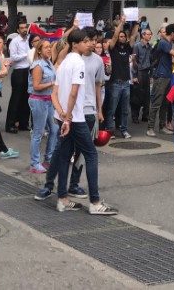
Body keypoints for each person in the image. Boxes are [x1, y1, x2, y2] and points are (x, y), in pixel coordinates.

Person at [50, 28, 117, 215]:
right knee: (91, 155)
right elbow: (73, 92)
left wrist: (62, 114)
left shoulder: (63, 63)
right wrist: (68, 117)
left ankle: (62, 199)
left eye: (91, 41)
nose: (90, 44)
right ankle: (95, 203)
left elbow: (54, 94)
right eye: (86, 41)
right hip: (76, 119)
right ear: (75, 44)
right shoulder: (77, 63)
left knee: (64, 156)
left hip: (66, 117)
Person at [105, 16, 138, 139]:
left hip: (126, 83)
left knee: (125, 110)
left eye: (124, 36)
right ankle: (109, 130)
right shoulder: (113, 48)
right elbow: (114, 37)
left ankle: (124, 129)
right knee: (112, 109)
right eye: (120, 36)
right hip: (115, 83)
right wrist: (122, 23)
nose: (122, 38)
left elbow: (133, 36)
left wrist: (137, 24)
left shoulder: (128, 48)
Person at [28, 40, 58, 174]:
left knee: (55, 129)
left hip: (49, 99)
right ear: (39, 50)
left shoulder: (49, 63)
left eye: (50, 47)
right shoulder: (38, 65)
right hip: (38, 100)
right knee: (38, 133)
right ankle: (34, 164)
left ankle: (49, 159)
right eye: (46, 47)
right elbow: (36, 86)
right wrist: (52, 83)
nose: (49, 49)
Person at [147, 23, 174, 136]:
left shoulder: (169, 42)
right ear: (172, 33)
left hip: (167, 75)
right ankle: (150, 128)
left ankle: (162, 126)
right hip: (161, 76)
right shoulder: (163, 42)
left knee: (165, 103)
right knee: (156, 103)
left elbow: (172, 58)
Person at [6, 21, 34, 134]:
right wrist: (27, 54)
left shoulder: (29, 40)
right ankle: (11, 123)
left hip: (29, 70)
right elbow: (13, 57)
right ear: (18, 30)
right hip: (19, 71)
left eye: (25, 27)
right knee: (16, 98)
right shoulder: (15, 42)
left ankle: (23, 123)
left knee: (26, 98)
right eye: (21, 28)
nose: (24, 29)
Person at [130, 27, 153, 124]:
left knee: (147, 95)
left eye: (150, 34)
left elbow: (151, 60)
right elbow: (134, 61)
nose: (150, 36)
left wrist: (151, 74)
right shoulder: (137, 46)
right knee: (137, 95)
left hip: (147, 72)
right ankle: (135, 116)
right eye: (148, 34)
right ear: (143, 35)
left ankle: (145, 115)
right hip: (139, 71)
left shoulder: (150, 46)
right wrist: (134, 75)